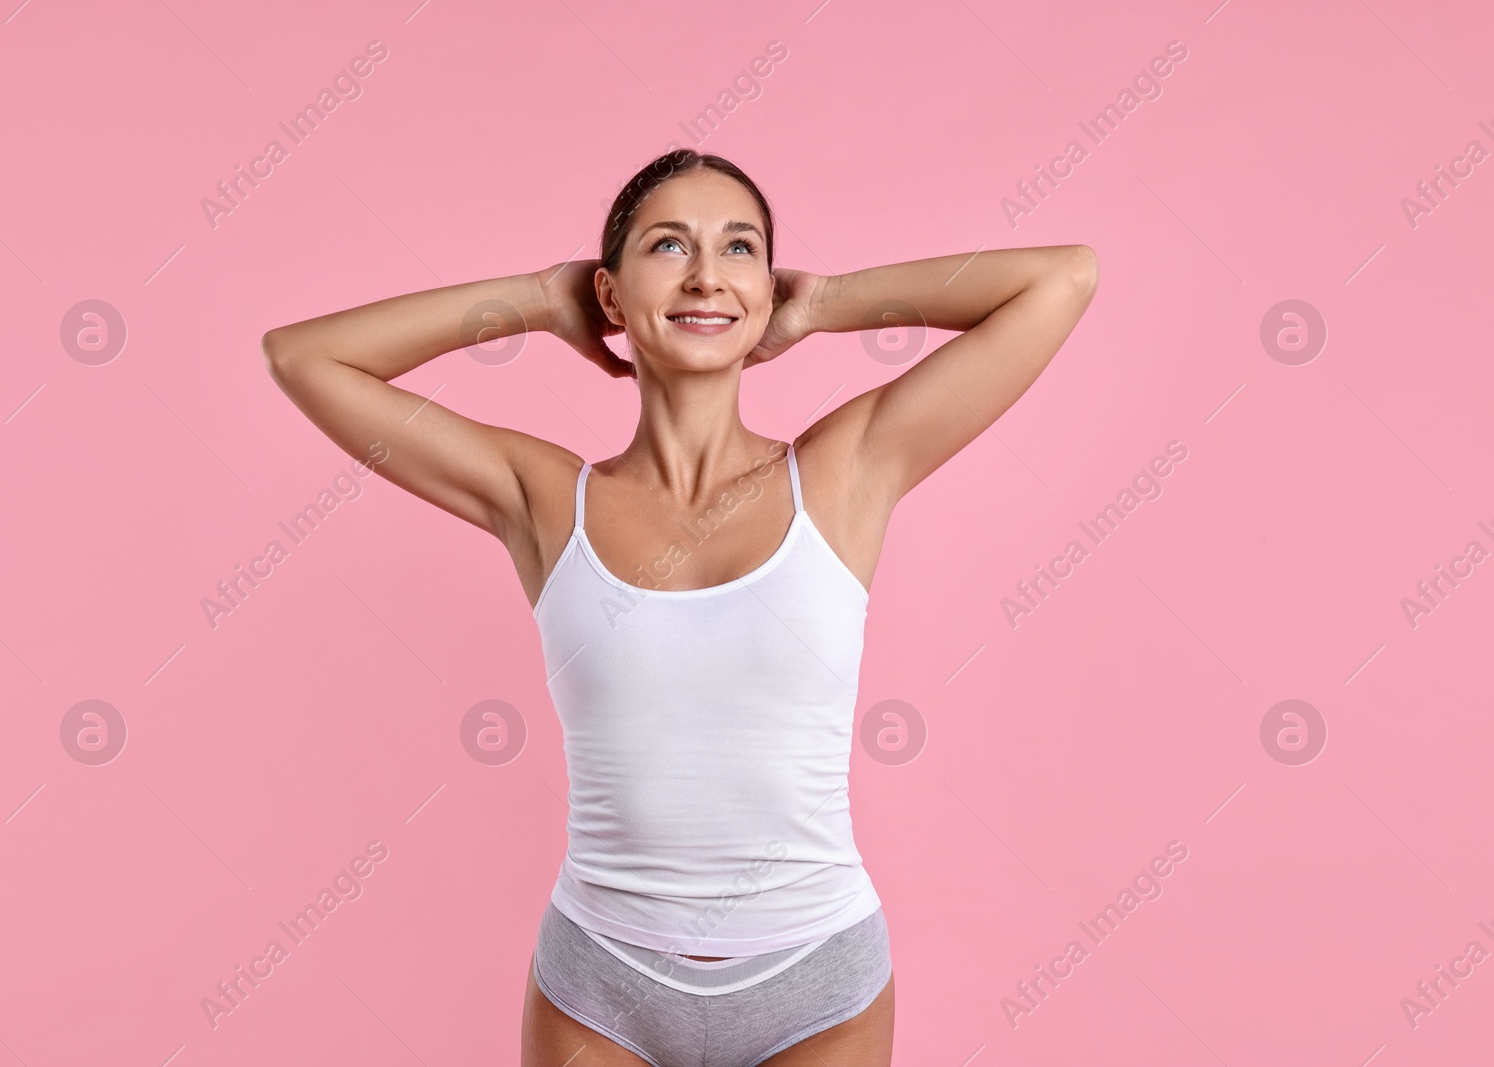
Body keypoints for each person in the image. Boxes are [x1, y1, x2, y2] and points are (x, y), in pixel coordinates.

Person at [262, 149, 1097, 1067]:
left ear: (765, 285)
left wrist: (822, 303)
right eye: (669, 245)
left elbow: (1062, 279)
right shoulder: (542, 497)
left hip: (816, 975)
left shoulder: (845, 470)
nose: (707, 274)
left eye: (740, 248)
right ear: (612, 293)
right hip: (602, 981)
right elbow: (304, 355)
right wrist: (542, 297)